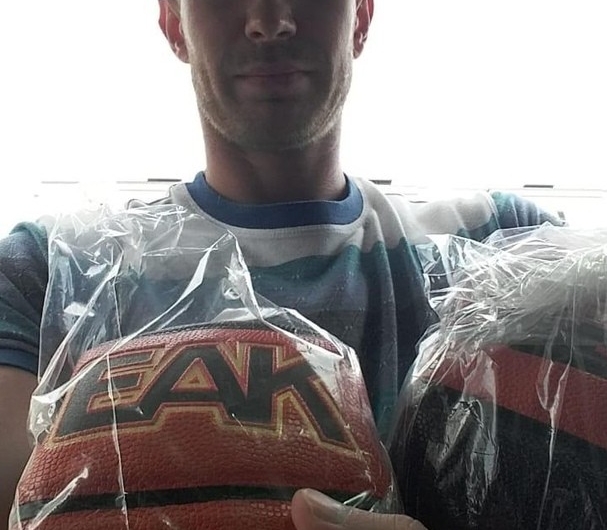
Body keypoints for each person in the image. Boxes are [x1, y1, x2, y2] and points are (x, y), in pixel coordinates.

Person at [0, 0, 563, 528]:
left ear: (361, 16)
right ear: (174, 23)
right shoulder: (47, 270)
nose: (269, 20)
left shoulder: (508, 247)